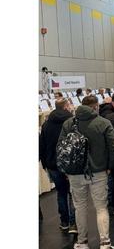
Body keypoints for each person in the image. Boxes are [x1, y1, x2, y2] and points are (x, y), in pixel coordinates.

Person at [57, 95, 114, 249]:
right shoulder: (103, 123)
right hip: (99, 172)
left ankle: (82, 242)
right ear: (96, 106)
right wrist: (109, 166)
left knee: (80, 208)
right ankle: (105, 243)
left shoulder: (69, 123)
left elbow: (61, 147)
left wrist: (66, 169)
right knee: (101, 208)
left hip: (75, 173)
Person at [39, 97, 77, 234]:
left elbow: (42, 146)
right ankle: (74, 223)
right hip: (70, 164)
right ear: (66, 106)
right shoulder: (73, 122)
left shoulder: (46, 124)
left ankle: (64, 222)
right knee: (73, 193)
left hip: (53, 164)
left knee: (61, 193)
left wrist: (45, 164)